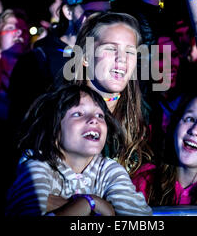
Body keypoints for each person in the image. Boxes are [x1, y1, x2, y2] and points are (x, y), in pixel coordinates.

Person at [5, 84, 152, 216]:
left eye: (100, 115)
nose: (94, 120)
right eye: (78, 114)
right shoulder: (37, 166)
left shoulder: (109, 171)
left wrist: (65, 204)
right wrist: (89, 203)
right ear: (55, 129)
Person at [8, 0, 124, 128]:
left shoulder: (108, 57)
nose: (100, 22)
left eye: (105, 15)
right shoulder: (38, 59)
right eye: (92, 14)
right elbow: (22, 122)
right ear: (68, 12)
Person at [64, 11, 153, 176]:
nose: (122, 58)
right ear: (85, 57)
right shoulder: (58, 112)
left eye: (130, 51)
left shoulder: (144, 115)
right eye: (111, 48)